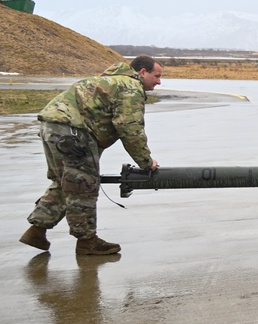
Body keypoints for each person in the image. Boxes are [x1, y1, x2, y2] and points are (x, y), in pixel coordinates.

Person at [20, 55, 163, 255]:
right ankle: (87, 242)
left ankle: (36, 231)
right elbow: (130, 129)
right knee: (83, 185)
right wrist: (146, 162)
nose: (159, 81)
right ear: (142, 72)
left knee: (66, 183)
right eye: (156, 76)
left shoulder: (108, 81)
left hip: (52, 127)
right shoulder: (130, 87)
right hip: (72, 131)